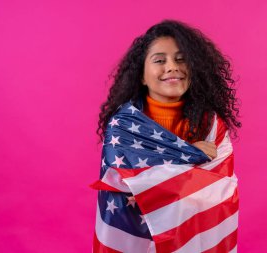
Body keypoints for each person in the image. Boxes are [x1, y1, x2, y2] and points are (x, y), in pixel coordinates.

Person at [91, 19, 241, 253]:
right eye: (159, 60)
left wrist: (171, 171)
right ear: (141, 75)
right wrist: (191, 157)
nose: (172, 67)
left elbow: (221, 189)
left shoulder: (211, 125)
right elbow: (126, 185)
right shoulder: (122, 127)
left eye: (181, 59)